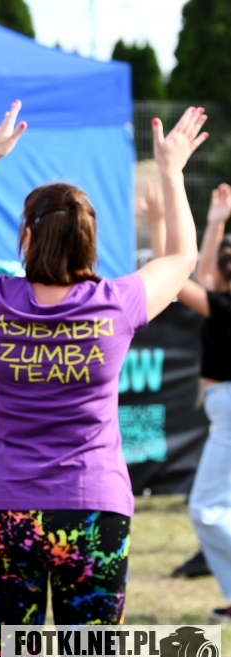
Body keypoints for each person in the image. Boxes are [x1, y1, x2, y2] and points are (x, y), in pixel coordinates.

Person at [0, 101, 205, 657]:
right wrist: (171, 170)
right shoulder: (116, 305)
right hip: (91, 509)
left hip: (4, 509)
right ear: (89, 242)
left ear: (27, 237)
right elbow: (182, 257)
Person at [143, 181, 231, 618]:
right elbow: (203, 275)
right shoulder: (222, 303)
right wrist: (215, 223)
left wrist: (160, 222)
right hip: (224, 408)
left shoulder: (224, 307)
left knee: (208, 510)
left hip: (228, 411)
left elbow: (178, 276)